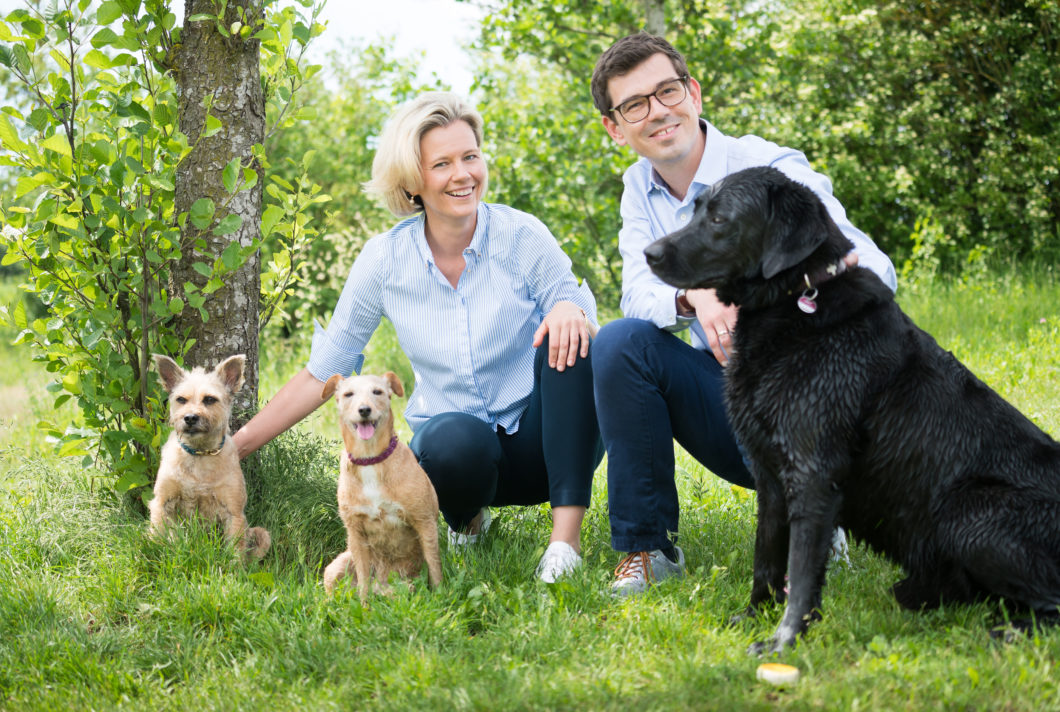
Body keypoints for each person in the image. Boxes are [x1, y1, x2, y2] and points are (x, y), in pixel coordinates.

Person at [233, 92, 604, 583]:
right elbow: (323, 370)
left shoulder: (522, 235)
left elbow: (575, 303)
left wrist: (566, 306)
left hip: (548, 445)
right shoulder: (385, 260)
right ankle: (465, 521)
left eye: (471, 156)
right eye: (443, 164)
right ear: (412, 180)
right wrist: (232, 448)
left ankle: (564, 546)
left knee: (575, 338)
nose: (463, 174)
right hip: (457, 461)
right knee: (451, 441)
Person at [589, 33, 898, 595]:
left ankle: (820, 511)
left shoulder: (771, 170)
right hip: (738, 406)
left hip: (817, 410)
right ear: (616, 127)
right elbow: (638, 291)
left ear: (694, 93)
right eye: (635, 104)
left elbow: (872, 268)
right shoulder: (639, 189)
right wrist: (698, 294)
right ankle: (648, 547)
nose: (658, 112)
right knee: (620, 342)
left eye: (667, 91)